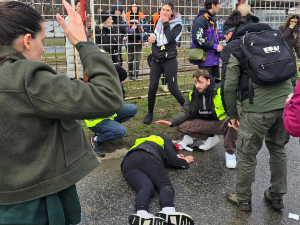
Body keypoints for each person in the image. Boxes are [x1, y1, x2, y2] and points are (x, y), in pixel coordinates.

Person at [0, 1, 124, 224]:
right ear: (28, 41)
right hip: (35, 202)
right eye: (42, 41)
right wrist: (83, 43)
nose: (43, 48)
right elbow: (109, 96)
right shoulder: (26, 77)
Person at [221, 10, 298, 212]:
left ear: (233, 31)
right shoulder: (277, 38)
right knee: (278, 148)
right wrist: (293, 102)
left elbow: (228, 85)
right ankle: (276, 196)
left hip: (257, 109)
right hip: (285, 105)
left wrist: (232, 115)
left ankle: (243, 198)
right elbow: (292, 71)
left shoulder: (237, 46)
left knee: (247, 154)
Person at [155, 69, 237, 168]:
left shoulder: (220, 90)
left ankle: (230, 153)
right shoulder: (193, 93)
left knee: (232, 121)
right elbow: (185, 112)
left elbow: (232, 108)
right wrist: (171, 122)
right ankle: (210, 137)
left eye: (201, 82)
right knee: (181, 126)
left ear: (208, 81)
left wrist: (235, 120)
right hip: (205, 123)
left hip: (220, 122)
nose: (197, 85)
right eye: (195, 82)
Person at [121, 134, 194, 225]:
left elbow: (159, 160)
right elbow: (174, 161)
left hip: (127, 162)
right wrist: (185, 161)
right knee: (164, 184)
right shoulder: (163, 140)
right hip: (147, 156)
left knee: (146, 187)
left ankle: (141, 213)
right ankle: (168, 211)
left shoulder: (141, 140)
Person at [143, 0, 185, 125]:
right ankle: (150, 113)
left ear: (172, 12)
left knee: (173, 88)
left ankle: (189, 110)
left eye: (167, 10)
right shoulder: (157, 21)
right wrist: (151, 39)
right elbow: (158, 37)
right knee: (152, 88)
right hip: (157, 59)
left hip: (169, 60)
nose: (164, 12)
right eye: (163, 9)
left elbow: (170, 39)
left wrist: (166, 22)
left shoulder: (177, 25)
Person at [85, 65, 138, 157]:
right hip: (96, 120)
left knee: (133, 109)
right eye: (121, 80)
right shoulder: (99, 87)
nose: (123, 82)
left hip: (109, 114)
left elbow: (120, 102)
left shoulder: (111, 85)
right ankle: (97, 140)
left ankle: (111, 127)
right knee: (121, 131)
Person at [190, 0, 224, 79]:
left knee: (215, 84)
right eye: (219, 4)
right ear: (213, 5)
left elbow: (214, 36)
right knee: (205, 85)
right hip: (206, 61)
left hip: (214, 60)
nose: (220, 6)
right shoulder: (201, 19)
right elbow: (198, 39)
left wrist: (225, 36)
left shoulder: (212, 19)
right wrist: (215, 46)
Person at [125, 2, 146, 80]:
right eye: (133, 6)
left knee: (137, 59)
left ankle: (136, 75)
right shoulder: (127, 16)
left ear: (137, 7)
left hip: (138, 40)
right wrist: (125, 39)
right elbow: (124, 29)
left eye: (135, 6)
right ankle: (130, 75)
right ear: (131, 7)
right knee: (130, 59)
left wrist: (144, 39)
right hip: (130, 40)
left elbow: (145, 28)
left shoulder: (142, 16)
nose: (134, 8)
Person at [65, 0, 84, 79]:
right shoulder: (69, 18)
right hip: (72, 49)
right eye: (79, 6)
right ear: (75, 7)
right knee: (74, 70)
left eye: (82, 6)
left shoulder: (87, 18)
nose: (81, 8)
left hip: (83, 48)